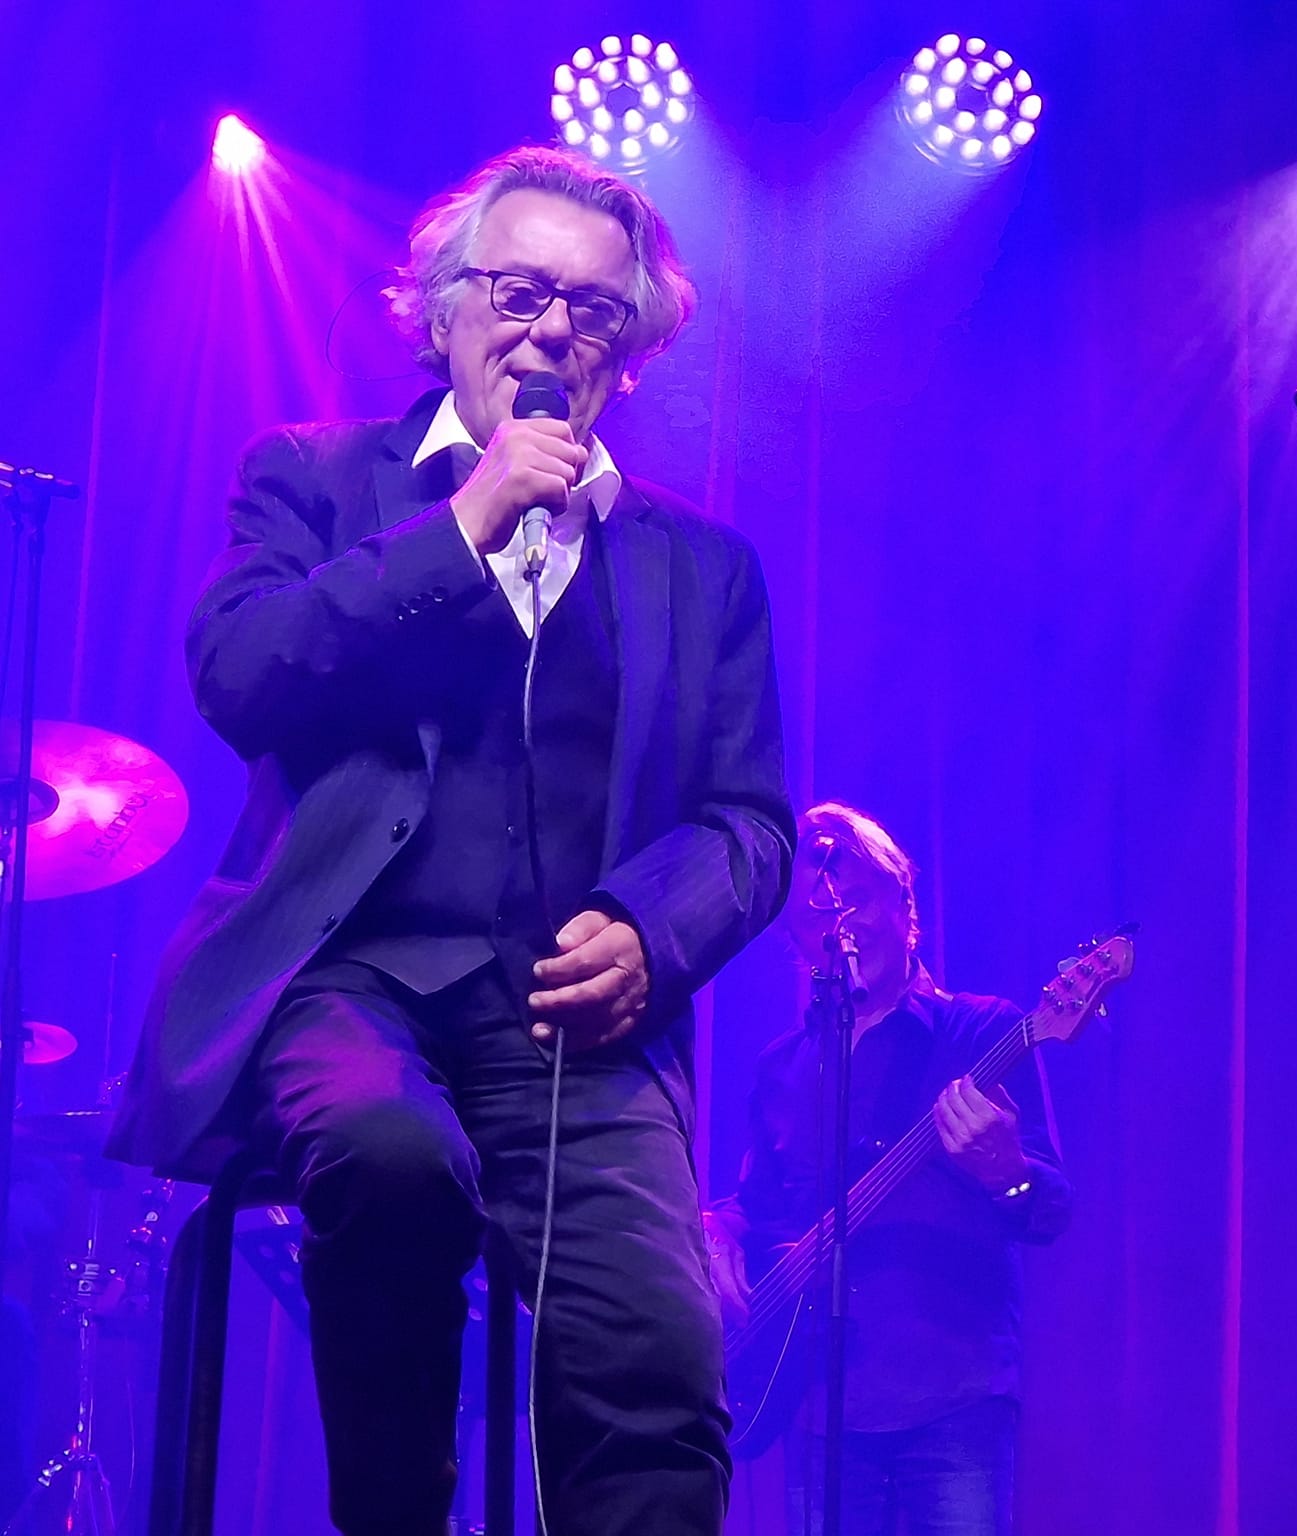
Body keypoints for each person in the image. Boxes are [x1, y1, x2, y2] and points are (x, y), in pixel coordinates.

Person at [107, 145, 795, 1535]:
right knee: (391, 1159)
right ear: (439, 308)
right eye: (521, 290)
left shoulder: (700, 566)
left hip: (573, 1026)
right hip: (349, 985)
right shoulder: (314, 479)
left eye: (596, 310)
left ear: (637, 351)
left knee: (658, 1348)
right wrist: (467, 523)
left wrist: (651, 933)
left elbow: (749, 825)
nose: (554, 329)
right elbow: (243, 672)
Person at [703, 803, 1070, 1536]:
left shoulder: (982, 1030)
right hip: (819, 1404)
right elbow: (761, 1202)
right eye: (814, 917)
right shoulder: (784, 1067)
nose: (838, 926)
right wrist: (716, 1230)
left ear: (904, 904)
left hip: (952, 1395)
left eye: (856, 899)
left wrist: (1006, 1171)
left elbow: (1049, 1203)